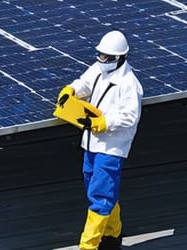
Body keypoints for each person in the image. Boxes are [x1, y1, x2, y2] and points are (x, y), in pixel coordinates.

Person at [57, 30, 143, 250]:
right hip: (91, 142)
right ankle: (113, 233)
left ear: (120, 57)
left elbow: (129, 116)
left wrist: (103, 123)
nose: (101, 59)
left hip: (112, 146)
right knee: (93, 184)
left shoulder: (129, 84)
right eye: (100, 55)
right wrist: (71, 90)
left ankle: (89, 245)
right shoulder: (99, 69)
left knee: (101, 194)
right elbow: (84, 82)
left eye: (106, 57)